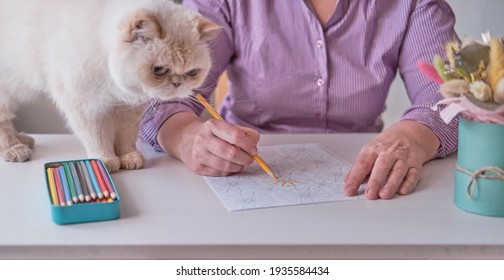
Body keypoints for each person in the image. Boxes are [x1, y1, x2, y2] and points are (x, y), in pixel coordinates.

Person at [140, 0, 459, 200]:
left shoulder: (415, 4)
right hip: (246, 170)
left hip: (362, 186)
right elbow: (151, 93)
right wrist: (185, 137)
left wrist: (411, 136)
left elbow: (455, 98)